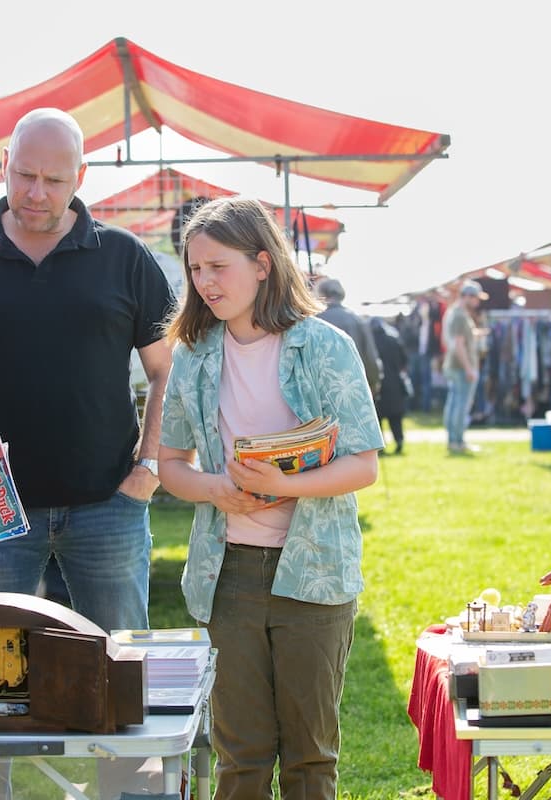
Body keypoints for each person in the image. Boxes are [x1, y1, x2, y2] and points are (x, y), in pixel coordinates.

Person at [0, 108, 175, 635]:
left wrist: (149, 467)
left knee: (118, 663)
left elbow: (168, 370)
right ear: (4, 165)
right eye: (25, 175)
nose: (37, 193)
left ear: (81, 177)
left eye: (54, 180)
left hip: (108, 504)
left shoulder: (125, 256)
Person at [158, 197, 383, 799]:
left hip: (315, 573)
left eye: (218, 266)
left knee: (311, 757)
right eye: (195, 268)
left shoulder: (326, 345)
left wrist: (284, 487)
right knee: (241, 756)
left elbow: (363, 465)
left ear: (262, 264)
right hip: (227, 573)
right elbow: (170, 466)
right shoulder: (192, 355)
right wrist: (218, 492)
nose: (204, 282)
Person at [442, 279, 487, 454]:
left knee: (454, 403)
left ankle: (454, 440)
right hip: (461, 367)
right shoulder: (460, 315)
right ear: (468, 296)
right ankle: (457, 441)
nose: (477, 302)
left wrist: (475, 334)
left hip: (454, 365)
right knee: (461, 404)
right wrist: (469, 368)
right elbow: (458, 344)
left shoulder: (453, 313)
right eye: (476, 298)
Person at [316, 277, 382, 396]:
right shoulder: (357, 320)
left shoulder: (315, 321)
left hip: (322, 390)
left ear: (322, 294)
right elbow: (370, 355)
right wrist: (374, 381)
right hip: (354, 387)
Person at [369, 315, 410, 454]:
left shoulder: (370, 342)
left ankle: (380, 447)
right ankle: (399, 441)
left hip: (376, 384)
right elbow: (404, 360)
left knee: (377, 418)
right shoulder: (393, 340)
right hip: (394, 383)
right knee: (395, 417)